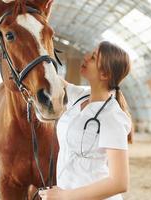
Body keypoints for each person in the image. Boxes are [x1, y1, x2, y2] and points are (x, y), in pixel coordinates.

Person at [39, 41, 134, 200]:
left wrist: (64, 196)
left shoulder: (112, 117)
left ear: (104, 74)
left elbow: (120, 183)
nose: (86, 57)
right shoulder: (80, 95)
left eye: (93, 57)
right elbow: (53, 79)